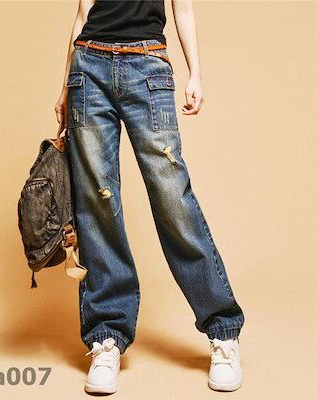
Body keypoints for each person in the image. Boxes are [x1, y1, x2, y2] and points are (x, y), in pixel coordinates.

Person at [55, 0, 245, 394]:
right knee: (98, 204)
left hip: (148, 65)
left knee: (173, 200)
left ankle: (223, 331)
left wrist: (196, 74)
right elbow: (82, 14)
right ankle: (106, 338)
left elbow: (184, 10)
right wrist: (64, 89)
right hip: (89, 69)